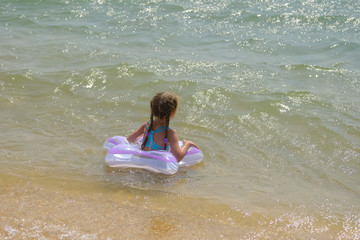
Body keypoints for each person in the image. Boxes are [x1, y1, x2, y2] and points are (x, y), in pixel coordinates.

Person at [127, 91, 198, 162]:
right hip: (157, 166)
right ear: (173, 112)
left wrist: (142, 138)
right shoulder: (171, 133)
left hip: (142, 161)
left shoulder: (147, 125)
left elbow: (129, 139)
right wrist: (187, 144)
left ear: (153, 110)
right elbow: (178, 157)